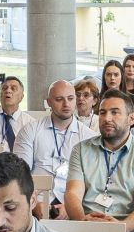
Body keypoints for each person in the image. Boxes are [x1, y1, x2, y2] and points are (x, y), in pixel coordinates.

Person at [65, 90, 134, 229]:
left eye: (115, 112)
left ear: (131, 119)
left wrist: (119, 229)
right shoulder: (81, 150)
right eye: (102, 112)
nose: (107, 118)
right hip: (86, 222)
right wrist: (83, 223)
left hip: (126, 228)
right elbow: (72, 194)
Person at [16, 79, 96, 215]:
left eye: (70, 98)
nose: (66, 104)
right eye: (59, 99)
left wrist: (71, 206)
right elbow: (19, 174)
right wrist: (32, 203)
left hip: (74, 204)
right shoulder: (30, 130)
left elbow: (93, 181)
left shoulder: (89, 137)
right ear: (49, 102)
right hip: (36, 202)